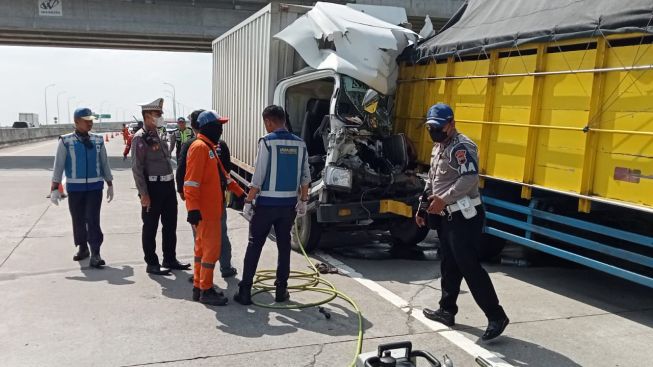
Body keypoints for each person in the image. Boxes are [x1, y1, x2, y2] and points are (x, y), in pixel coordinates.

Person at [416, 103, 509, 341]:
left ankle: (496, 315)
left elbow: (469, 178)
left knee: (468, 266)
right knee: (448, 263)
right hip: (445, 215)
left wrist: (444, 200)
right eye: (430, 127)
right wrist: (423, 207)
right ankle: (447, 310)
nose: (433, 132)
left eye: (438, 127)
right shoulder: (439, 147)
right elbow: (433, 180)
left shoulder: (462, 147)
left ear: (451, 124)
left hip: (464, 216)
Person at [233, 105, 310, 305]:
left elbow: (258, 177)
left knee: (254, 245)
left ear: (268, 121)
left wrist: (248, 201)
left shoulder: (267, 142)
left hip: (266, 205)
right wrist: (303, 200)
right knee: (284, 247)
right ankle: (281, 291)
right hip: (288, 207)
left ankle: (245, 292)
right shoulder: (300, 144)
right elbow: (305, 177)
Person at [184, 110, 244, 305]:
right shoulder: (200, 148)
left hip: (210, 210)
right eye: (218, 126)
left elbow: (223, 177)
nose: (221, 129)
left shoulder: (209, 148)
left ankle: (198, 287)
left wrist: (241, 193)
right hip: (206, 212)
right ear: (209, 127)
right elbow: (191, 182)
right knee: (211, 251)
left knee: (201, 251)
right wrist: (192, 209)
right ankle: (206, 289)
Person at [131, 98, 190, 275]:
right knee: (150, 226)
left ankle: (170, 258)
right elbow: (137, 168)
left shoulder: (159, 133)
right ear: (148, 116)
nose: (160, 117)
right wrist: (144, 194)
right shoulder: (140, 138)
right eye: (158, 114)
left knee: (170, 225)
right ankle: (152, 262)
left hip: (167, 186)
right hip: (152, 187)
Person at [50, 107, 114, 268]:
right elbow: (58, 166)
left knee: (93, 219)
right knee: (78, 219)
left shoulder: (98, 140)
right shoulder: (66, 141)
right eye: (86, 121)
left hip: (95, 187)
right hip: (75, 188)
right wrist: (54, 188)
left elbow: (104, 162)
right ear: (76, 122)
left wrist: (110, 182)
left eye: (91, 120)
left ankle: (96, 253)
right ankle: (83, 247)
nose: (90, 124)